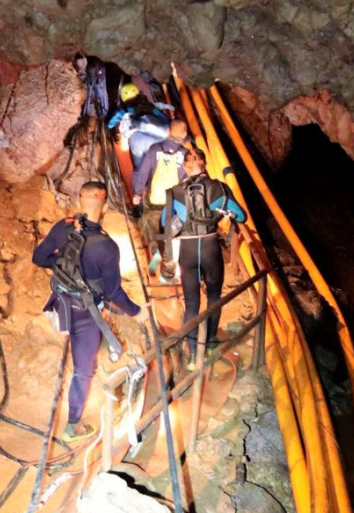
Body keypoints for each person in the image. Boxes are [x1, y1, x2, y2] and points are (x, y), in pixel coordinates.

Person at [32, 181, 147, 442]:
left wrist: (62, 266)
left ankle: (74, 421)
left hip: (59, 305)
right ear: (105, 206)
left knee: (77, 343)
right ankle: (73, 426)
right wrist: (136, 312)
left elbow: (38, 258)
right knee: (83, 371)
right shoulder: (107, 247)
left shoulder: (62, 227)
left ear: (79, 201)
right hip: (86, 316)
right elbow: (113, 292)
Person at [160, 149, 246, 369]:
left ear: (185, 166)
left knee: (191, 303)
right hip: (210, 248)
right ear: (205, 164)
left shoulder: (173, 192)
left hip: (187, 251)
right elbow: (241, 215)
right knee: (214, 297)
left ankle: (191, 357)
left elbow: (164, 223)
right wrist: (221, 212)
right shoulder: (219, 188)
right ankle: (208, 345)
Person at [131, 120, 191, 272]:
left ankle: (155, 252)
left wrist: (138, 193)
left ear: (168, 131)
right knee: (171, 229)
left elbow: (143, 172)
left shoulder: (154, 149)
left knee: (151, 227)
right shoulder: (185, 154)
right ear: (184, 135)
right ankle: (169, 260)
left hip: (155, 198)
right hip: (174, 200)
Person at [108, 83, 172, 169]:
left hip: (139, 136)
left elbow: (110, 123)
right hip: (156, 131)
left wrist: (108, 126)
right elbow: (161, 116)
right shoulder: (148, 105)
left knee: (139, 163)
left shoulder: (124, 108)